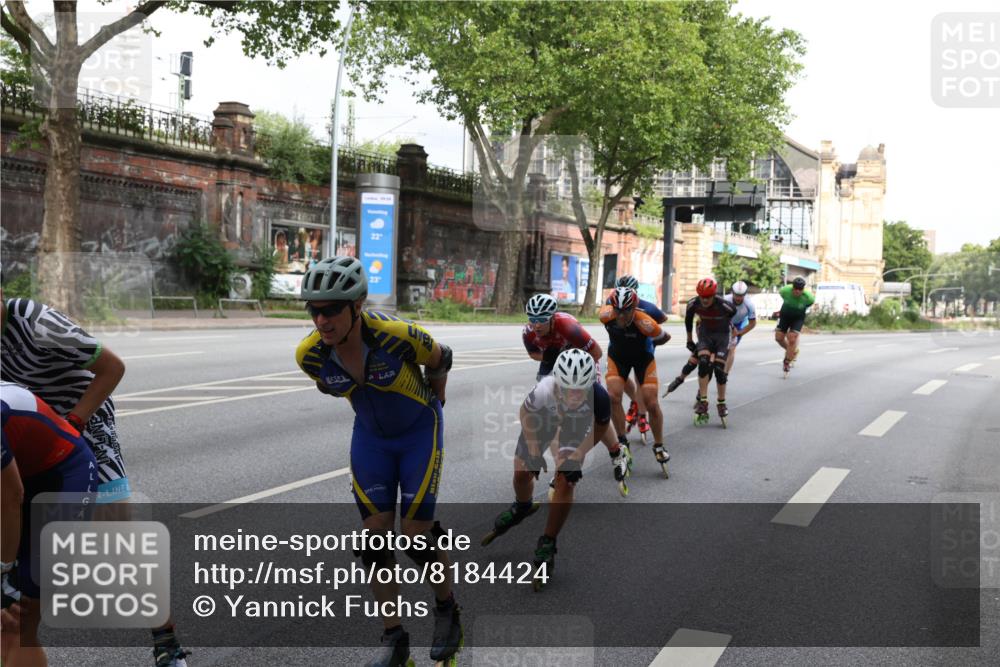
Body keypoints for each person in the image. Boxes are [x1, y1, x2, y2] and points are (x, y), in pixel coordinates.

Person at [0, 290, 191, 667]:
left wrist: (74, 422)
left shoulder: (35, 321)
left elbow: (113, 367)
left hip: (84, 424)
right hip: (29, 432)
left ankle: (165, 641)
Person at [294, 256, 461, 667]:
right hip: (371, 439)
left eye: (331, 308)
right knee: (374, 543)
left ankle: (447, 611)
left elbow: (442, 357)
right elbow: (328, 385)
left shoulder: (394, 335)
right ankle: (394, 638)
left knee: (417, 537)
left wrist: (436, 400)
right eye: (313, 309)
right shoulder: (309, 355)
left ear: (357, 305)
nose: (321, 319)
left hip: (419, 433)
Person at [482, 349, 620, 589]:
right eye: (568, 389)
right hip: (542, 421)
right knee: (522, 472)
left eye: (581, 389)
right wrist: (535, 451)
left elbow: (601, 426)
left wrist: (578, 454)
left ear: (591, 382)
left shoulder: (599, 395)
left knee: (567, 478)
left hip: (575, 427)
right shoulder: (545, 388)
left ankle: (548, 541)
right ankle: (522, 505)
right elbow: (525, 413)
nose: (575, 395)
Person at [2, 382, 98, 667]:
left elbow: (10, 498)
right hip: (18, 474)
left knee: (20, 619)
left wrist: (3, 575)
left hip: (65, 474)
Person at [599, 287, 671, 469]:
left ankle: (659, 445)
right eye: (618, 311)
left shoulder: (646, 323)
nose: (621, 316)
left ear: (634, 308)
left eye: (626, 311)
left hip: (643, 360)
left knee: (651, 403)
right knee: (613, 396)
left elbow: (665, 337)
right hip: (617, 358)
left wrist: (648, 344)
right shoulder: (605, 315)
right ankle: (623, 441)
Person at [606, 275, 667, 442]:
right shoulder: (609, 305)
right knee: (617, 386)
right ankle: (635, 402)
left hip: (642, 350)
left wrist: (649, 333)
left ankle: (641, 413)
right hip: (619, 352)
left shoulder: (647, 309)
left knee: (644, 388)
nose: (620, 312)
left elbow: (662, 321)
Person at [683, 278, 737, 424]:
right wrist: (689, 339)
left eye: (708, 297)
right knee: (703, 363)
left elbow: (732, 316)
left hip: (722, 336)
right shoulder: (693, 303)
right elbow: (688, 321)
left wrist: (730, 328)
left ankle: (721, 402)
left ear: (713, 295)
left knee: (719, 370)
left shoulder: (726, 306)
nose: (705, 300)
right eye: (702, 297)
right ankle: (704, 401)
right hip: (706, 335)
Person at [522, 293, 602, 380]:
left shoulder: (569, 328)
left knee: (591, 390)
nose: (537, 325)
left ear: (553, 319)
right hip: (552, 357)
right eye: (532, 319)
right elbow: (533, 354)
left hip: (580, 356)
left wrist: (577, 371)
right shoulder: (528, 333)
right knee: (543, 387)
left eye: (542, 319)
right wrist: (546, 357)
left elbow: (597, 353)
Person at [775, 277, 815, 374]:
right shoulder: (785, 291)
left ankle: (787, 361)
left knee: (792, 339)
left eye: (800, 289)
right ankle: (793, 351)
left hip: (798, 318)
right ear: (792, 287)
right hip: (785, 315)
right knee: (778, 338)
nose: (797, 291)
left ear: (803, 289)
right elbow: (782, 296)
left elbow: (809, 304)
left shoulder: (809, 297)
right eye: (795, 288)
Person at [724, 281, 757, 375]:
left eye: (741, 295)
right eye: (736, 295)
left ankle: (725, 374)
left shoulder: (749, 304)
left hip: (739, 324)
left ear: (745, 294)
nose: (738, 298)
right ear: (732, 293)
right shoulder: (725, 299)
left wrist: (739, 333)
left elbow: (752, 323)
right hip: (726, 322)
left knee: (731, 349)